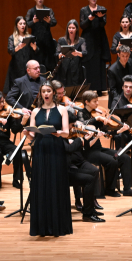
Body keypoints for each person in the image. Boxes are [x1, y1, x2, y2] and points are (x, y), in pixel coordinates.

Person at [23, 81, 73, 237]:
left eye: (48, 91)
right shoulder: (35, 112)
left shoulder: (62, 109)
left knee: (56, 183)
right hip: (40, 150)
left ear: (53, 93)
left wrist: (58, 132)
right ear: (40, 94)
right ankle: (42, 227)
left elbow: (66, 132)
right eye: (43, 91)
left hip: (56, 149)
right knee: (41, 184)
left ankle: (58, 225)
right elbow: (32, 134)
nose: (46, 93)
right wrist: (26, 131)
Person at [51, 80, 104, 221]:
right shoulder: (60, 133)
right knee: (89, 179)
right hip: (66, 167)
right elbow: (68, 149)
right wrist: (79, 140)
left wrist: (86, 138)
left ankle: (90, 207)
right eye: (72, 124)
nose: (73, 127)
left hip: (76, 161)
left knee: (94, 171)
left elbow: (80, 145)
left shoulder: (71, 132)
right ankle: (87, 213)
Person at [76, 90, 132, 197]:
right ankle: (110, 189)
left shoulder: (97, 112)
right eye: (95, 101)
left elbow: (107, 134)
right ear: (87, 102)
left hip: (98, 148)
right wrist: (96, 118)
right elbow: (82, 125)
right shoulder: (81, 113)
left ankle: (127, 188)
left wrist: (119, 130)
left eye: (97, 101)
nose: (97, 104)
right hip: (88, 151)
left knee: (124, 157)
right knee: (111, 161)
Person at [0, 91, 30, 189]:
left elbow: (15, 130)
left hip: (5, 142)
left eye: (3, 101)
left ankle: (17, 179)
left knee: (18, 152)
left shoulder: (8, 114)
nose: (2, 104)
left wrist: (23, 122)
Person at [80, 0, 110, 93]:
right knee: (89, 64)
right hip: (88, 39)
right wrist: (89, 19)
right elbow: (82, 25)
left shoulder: (101, 8)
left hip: (99, 39)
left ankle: (100, 89)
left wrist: (101, 18)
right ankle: (89, 89)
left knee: (99, 64)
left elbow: (103, 24)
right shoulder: (84, 10)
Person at [3, 16, 38, 94]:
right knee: (16, 89)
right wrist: (18, 47)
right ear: (17, 25)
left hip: (28, 67)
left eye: (24, 23)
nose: (23, 25)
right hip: (16, 67)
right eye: (20, 23)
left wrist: (35, 47)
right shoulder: (12, 38)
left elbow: (36, 52)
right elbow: (10, 51)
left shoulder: (30, 37)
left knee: (28, 89)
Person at [25, 0, 57, 71]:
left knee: (49, 63)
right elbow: (26, 24)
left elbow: (54, 22)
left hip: (47, 40)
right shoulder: (31, 11)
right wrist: (33, 21)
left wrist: (49, 21)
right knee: (37, 62)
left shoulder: (49, 10)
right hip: (36, 41)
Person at [55, 19, 87, 88]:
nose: (71, 30)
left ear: (77, 29)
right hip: (64, 66)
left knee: (76, 85)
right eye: (69, 28)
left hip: (76, 67)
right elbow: (56, 54)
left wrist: (77, 53)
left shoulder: (81, 40)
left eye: (73, 28)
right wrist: (61, 54)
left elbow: (85, 53)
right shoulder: (61, 40)